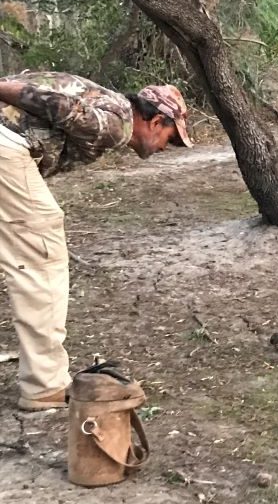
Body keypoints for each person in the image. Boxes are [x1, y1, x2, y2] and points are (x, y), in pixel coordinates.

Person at [0, 71, 192, 411]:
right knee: (41, 255)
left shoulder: (108, 102)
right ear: (156, 120)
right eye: (171, 138)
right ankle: (44, 385)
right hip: (6, 147)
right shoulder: (117, 123)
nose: (166, 148)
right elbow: (52, 102)